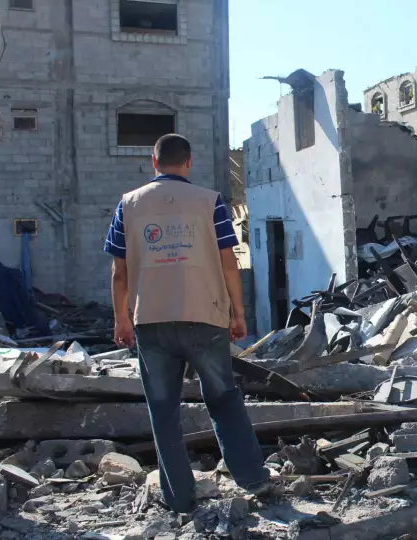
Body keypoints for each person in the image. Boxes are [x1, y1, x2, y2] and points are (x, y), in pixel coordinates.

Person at [104, 133, 275, 513]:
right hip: (205, 316)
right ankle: (253, 478)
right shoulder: (209, 202)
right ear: (189, 162)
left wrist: (121, 318)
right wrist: (238, 312)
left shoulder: (128, 205)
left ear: (153, 161)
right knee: (224, 398)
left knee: (163, 411)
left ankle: (180, 498)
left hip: (151, 319)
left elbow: (119, 270)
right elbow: (228, 261)